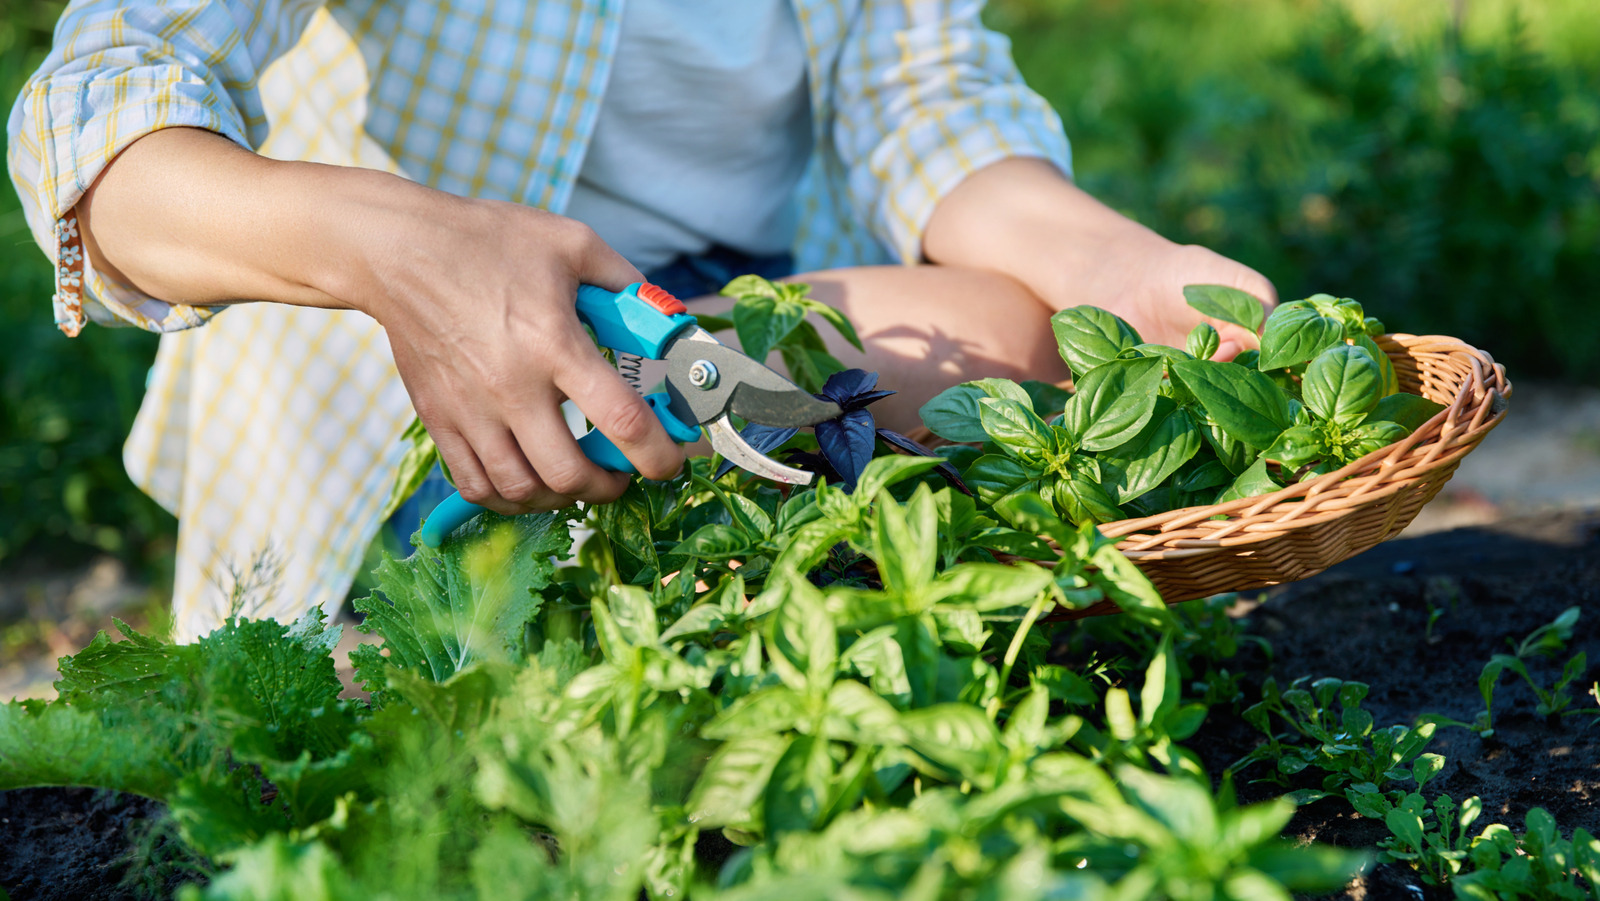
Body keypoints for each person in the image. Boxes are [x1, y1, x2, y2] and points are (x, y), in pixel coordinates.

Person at [8, 0, 1275, 642]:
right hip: (410, 387)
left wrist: (1123, 263)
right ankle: (375, 619)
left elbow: (924, 96)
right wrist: (401, 250)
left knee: (1016, 346)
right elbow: (98, 121)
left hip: (728, 314)